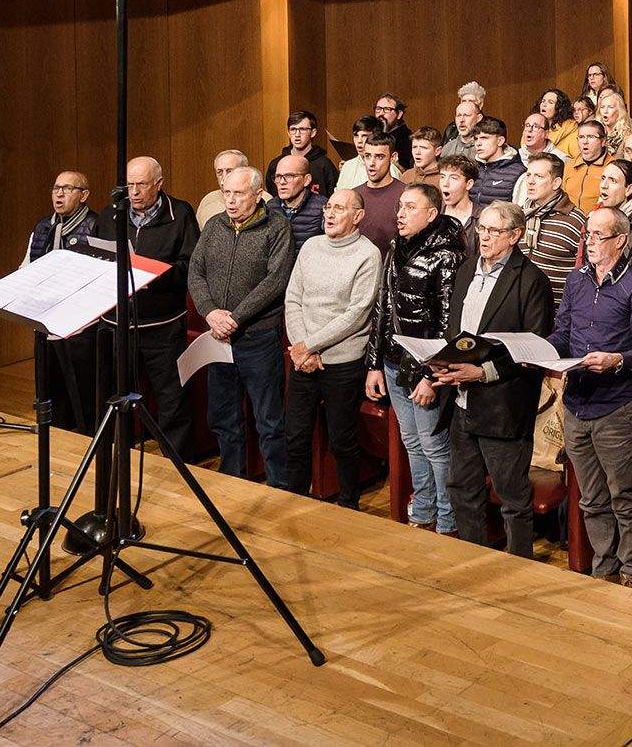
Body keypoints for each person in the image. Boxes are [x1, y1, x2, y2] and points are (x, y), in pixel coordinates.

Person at [431, 200, 557, 554]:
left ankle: (518, 570)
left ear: (515, 235)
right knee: (461, 488)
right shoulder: (467, 269)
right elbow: (457, 331)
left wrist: (482, 372)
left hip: (502, 403)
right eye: (481, 229)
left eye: (494, 231)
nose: (484, 237)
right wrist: (444, 362)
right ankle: (474, 559)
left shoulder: (531, 280)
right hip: (461, 401)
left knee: (512, 498)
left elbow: (535, 348)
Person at [550, 207, 632, 587]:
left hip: (616, 406)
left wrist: (617, 360)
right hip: (577, 402)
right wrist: (537, 352)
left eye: (599, 235)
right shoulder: (575, 281)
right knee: (591, 499)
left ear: (621, 241)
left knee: (623, 496)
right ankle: (604, 567)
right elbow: (562, 333)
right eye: (588, 234)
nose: (590, 241)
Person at [190, 166, 296, 488]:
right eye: (226, 193)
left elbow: (275, 281)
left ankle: (279, 488)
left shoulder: (276, 227)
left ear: (258, 194)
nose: (231, 201)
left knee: (269, 421)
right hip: (219, 338)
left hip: (258, 337)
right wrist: (210, 313)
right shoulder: (214, 226)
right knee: (224, 417)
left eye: (238, 193)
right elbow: (196, 271)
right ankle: (232, 482)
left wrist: (234, 317)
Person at [370, 185, 464, 532]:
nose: (400, 214)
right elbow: (384, 308)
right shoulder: (397, 247)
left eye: (410, 207)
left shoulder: (447, 255)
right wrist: (374, 364)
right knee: (410, 440)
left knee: (434, 444)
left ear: (432, 214)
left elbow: (447, 323)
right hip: (395, 361)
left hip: (424, 367)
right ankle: (423, 509)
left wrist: (431, 374)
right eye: (400, 207)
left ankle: (447, 517)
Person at [282, 190, 383, 507]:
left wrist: (310, 345)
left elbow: (356, 315)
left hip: (341, 361)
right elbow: (293, 298)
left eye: (339, 208)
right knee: (296, 435)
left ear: (358, 216)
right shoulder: (311, 247)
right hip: (303, 358)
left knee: (342, 439)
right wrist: (301, 347)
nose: (330, 213)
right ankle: (296, 498)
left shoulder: (368, 255)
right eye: (328, 206)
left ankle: (349, 502)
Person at [97, 155, 200, 453]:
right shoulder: (110, 215)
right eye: (129, 184)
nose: (134, 192)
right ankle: (120, 451)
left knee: (171, 396)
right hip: (117, 322)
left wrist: (153, 273)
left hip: (162, 323)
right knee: (118, 392)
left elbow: (189, 265)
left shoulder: (179, 213)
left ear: (159, 183)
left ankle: (176, 458)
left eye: (141, 184)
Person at [25, 170, 100, 432]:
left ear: (84, 195)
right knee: (49, 387)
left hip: (81, 326)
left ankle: (87, 435)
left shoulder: (96, 226)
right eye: (56, 188)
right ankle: (55, 434)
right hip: (46, 320)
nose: (59, 193)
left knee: (81, 389)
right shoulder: (42, 226)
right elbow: (27, 267)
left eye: (67, 189)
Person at [514, 153, 586, 301]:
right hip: (518, 309)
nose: (530, 182)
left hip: (556, 312)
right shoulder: (519, 215)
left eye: (539, 176)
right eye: (528, 175)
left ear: (556, 183)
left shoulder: (575, 221)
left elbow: (585, 272)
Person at [349, 134, 403, 253]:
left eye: (379, 157)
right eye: (367, 156)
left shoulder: (405, 194)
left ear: (393, 157)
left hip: (390, 267)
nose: (371, 163)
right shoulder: (353, 195)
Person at [266, 152, 327, 250]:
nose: (282, 182)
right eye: (278, 176)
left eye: (289, 176)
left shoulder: (323, 208)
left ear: (307, 180)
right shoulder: (270, 207)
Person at [262, 109, 329, 188]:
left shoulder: (324, 165)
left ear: (313, 133)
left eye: (302, 129)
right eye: (293, 129)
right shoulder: (276, 164)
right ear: (288, 133)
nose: (297, 134)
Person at [196, 149, 249, 225]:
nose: (224, 177)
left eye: (229, 171)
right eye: (220, 172)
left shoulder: (261, 199)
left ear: (245, 171)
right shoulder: (208, 200)